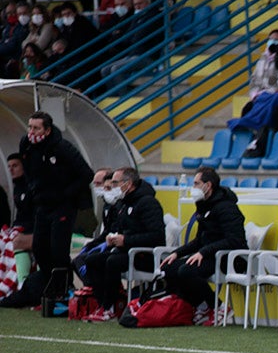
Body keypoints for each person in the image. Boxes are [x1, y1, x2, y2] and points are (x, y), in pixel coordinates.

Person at [19, 110, 94, 303]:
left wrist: (65, 194)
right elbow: (28, 172)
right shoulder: (26, 145)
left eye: (36, 128)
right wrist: (34, 190)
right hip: (42, 205)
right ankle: (51, 285)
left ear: (47, 130)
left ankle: (63, 289)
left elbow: (86, 174)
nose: (31, 131)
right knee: (39, 248)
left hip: (63, 207)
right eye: (30, 127)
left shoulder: (62, 148)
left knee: (58, 249)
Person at [160, 166, 247, 325]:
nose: (193, 188)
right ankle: (202, 305)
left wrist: (204, 251)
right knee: (168, 267)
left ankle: (219, 307)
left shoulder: (227, 207)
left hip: (229, 258)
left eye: (196, 184)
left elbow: (235, 240)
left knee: (186, 271)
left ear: (208, 186)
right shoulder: (204, 206)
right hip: (210, 255)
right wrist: (177, 253)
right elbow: (199, 240)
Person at [77, 167, 164, 321]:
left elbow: (157, 236)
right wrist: (114, 238)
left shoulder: (148, 203)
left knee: (112, 261)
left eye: (116, 183)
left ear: (128, 184)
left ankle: (110, 308)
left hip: (145, 255)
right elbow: (123, 230)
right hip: (126, 251)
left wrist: (126, 240)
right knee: (92, 259)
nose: (113, 187)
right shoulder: (124, 204)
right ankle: (104, 305)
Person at [0, 153, 34, 300]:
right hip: (18, 227)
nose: (11, 170)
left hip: (32, 230)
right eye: (9, 167)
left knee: (11, 244)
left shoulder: (32, 185)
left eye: (15, 166)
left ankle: (20, 286)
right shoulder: (17, 187)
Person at [0, 1, 29, 77]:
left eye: (13, 12)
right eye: (8, 13)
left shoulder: (22, 27)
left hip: (15, 58)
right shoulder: (8, 27)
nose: (11, 15)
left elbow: (12, 45)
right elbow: (4, 42)